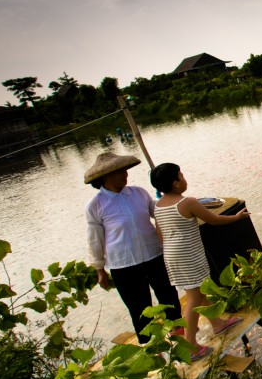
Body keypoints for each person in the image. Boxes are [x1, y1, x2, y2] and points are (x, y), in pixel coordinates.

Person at [150, 162, 245, 359]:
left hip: (171, 255)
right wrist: (236, 217)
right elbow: (213, 219)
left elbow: (160, 235)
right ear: (175, 183)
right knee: (193, 298)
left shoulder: (158, 206)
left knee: (199, 290)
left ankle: (217, 323)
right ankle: (190, 345)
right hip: (189, 255)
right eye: (181, 176)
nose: (184, 179)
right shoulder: (188, 203)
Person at [84, 152, 182, 341]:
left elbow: (158, 211)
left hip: (153, 254)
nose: (125, 175)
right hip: (124, 265)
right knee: (139, 309)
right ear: (106, 176)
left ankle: (182, 339)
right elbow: (94, 239)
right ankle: (153, 353)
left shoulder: (138, 193)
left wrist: (182, 206)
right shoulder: (95, 205)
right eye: (119, 172)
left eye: (125, 170)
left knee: (169, 298)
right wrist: (99, 269)